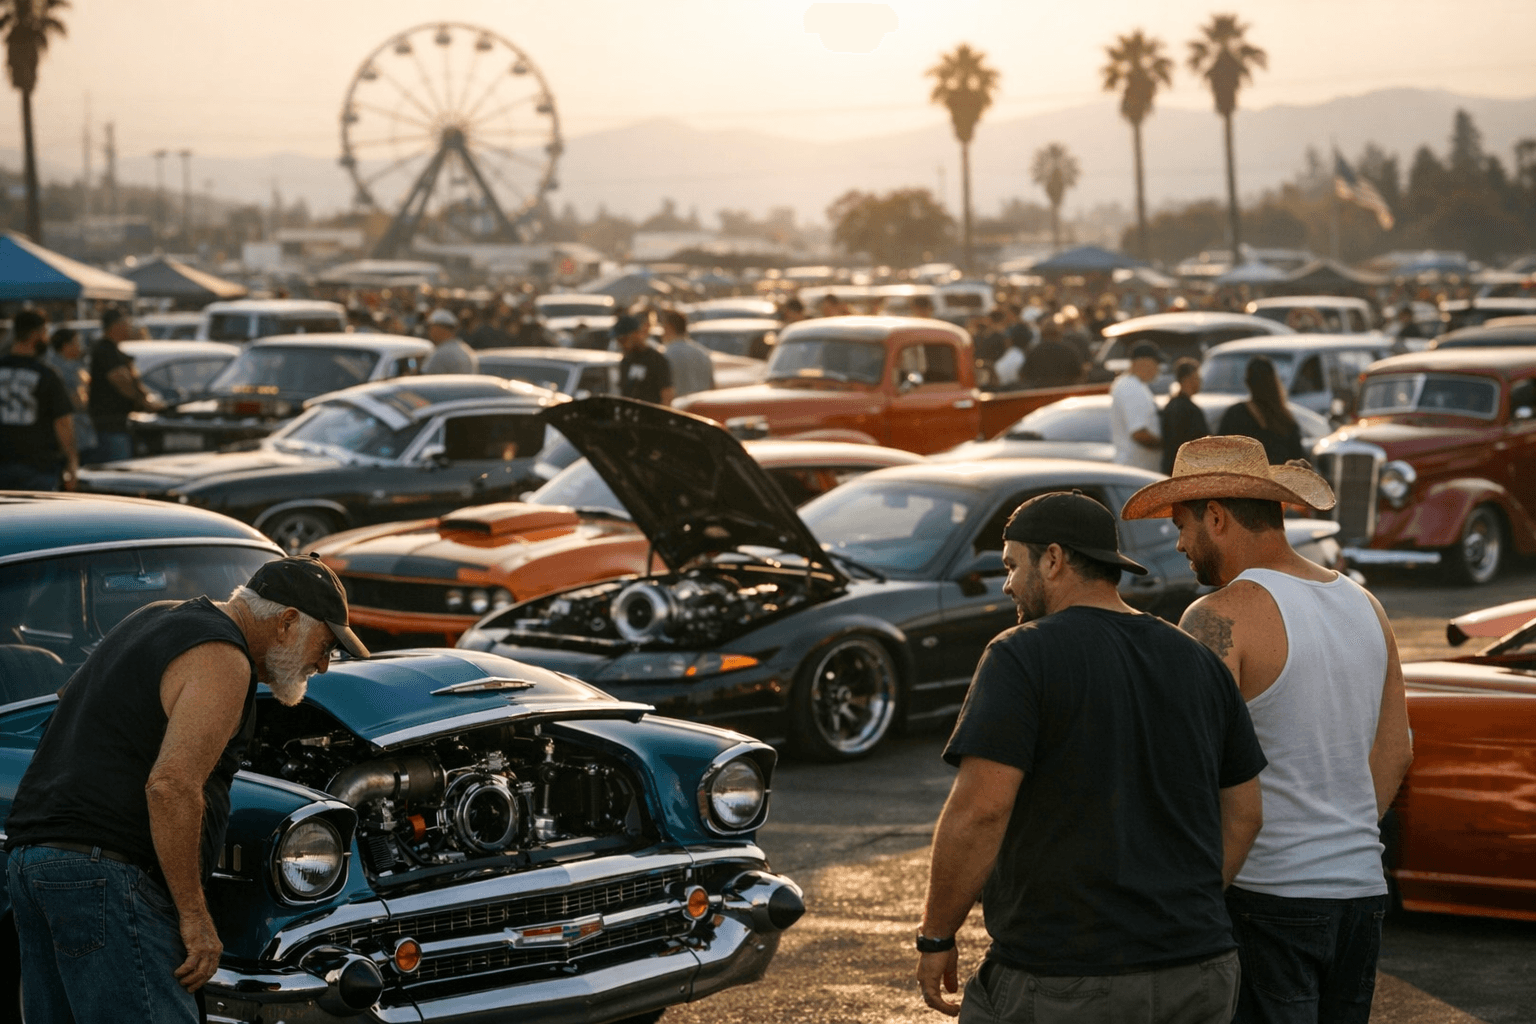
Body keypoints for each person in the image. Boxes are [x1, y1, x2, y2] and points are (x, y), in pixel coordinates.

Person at [915, 490, 1266, 1023]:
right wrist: (1177, 905)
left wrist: (936, 934)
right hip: (1200, 969)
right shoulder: (1198, 659)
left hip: (1068, 975)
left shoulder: (1020, 652)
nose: (1007, 583)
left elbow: (981, 810)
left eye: (1012, 565)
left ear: (1053, 559)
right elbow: (1245, 812)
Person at [1122, 436, 1413, 1024]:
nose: (1177, 543)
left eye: (1181, 524)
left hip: (1265, 894)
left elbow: (1185, 769)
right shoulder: (1363, 602)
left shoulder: (1216, 617)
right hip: (1359, 890)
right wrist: (1336, 834)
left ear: (1217, 516)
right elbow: (1396, 750)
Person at [5, 556, 369, 1022]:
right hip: (107, 875)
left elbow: (70, 702)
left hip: (33, 862)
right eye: (326, 645)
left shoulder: (154, 617)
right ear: (287, 622)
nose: (322, 664)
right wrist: (195, 920)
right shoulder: (224, 658)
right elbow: (171, 787)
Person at [0, 310, 79, 491]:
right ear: (36, 334)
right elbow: (63, 423)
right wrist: (72, 462)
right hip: (38, 467)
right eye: (45, 333)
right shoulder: (46, 375)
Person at [88, 308, 160, 463]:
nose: (129, 327)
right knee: (116, 469)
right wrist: (144, 402)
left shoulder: (115, 350)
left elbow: (132, 378)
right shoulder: (105, 350)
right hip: (110, 426)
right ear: (116, 326)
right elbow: (122, 382)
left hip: (117, 425)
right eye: (126, 324)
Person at [1218, 355, 1304, 464]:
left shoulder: (1234, 415)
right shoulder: (1284, 418)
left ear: (1247, 382)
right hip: (1279, 479)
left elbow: (1219, 454)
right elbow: (1298, 457)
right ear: (1274, 381)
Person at [1110, 341, 1163, 472]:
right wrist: (1168, 446)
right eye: (1156, 363)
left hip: (1137, 468)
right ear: (1144, 362)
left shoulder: (1134, 385)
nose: (1158, 368)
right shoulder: (1131, 388)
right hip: (1136, 469)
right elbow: (1139, 433)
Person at [1161, 357, 1209, 475]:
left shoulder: (1170, 405)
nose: (1200, 381)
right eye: (1197, 377)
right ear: (1189, 379)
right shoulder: (1190, 410)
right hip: (1186, 472)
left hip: (1171, 469)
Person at [613, 312, 673, 405]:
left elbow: (667, 395)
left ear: (635, 334)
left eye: (623, 340)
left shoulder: (656, 360)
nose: (621, 345)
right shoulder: (626, 361)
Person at [658, 308, 715, 397]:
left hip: (676, 409)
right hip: (701, 408)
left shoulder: (664, 356)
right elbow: (712, 387)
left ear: (668, 328)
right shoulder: (703, 353)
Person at [422, 308, 478, 374]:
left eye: (431, 327)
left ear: (439, 328)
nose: (429, 331)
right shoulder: (466, 350)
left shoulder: (440, 354)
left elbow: (427, 379)